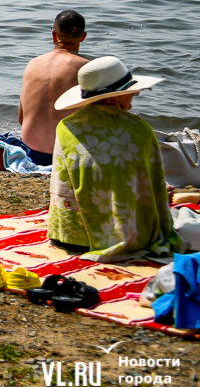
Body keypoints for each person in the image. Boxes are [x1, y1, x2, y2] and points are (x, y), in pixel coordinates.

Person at [47, 55, 179, 261]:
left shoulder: (65, 127)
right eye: (131, 94)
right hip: (113, 238)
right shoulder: (138, 129)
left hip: (65, 234)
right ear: (116, 96)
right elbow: (144, 189)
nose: (133, 98)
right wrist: (161, 194)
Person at [17, 10, 90, 166]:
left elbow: (21, 119)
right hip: (66, 155)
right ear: (83, 37)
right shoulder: (87, 68)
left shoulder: (33, 64)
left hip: (30, 151)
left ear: (54, 35)